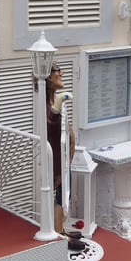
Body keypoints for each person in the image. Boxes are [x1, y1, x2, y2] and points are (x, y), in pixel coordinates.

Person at [46, 62, 74, 233]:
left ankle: (60, 230)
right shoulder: (48, 103)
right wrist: (57, 105)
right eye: (58, 71)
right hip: (57, 157)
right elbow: (50, 123)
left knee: (64, 194)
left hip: (63, 158)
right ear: (49, 76)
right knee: (60, 194)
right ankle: (58, 234)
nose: (62, 73)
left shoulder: (52, 97)